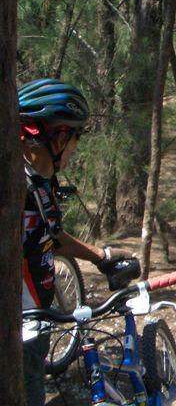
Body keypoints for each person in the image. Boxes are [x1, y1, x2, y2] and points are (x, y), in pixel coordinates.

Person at [18, 78, 133, 406]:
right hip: (21, 330)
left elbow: (51, 237)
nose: (76, 149)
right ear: (57, 136)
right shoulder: (14, 186)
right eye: (75, 138)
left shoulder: (42, 182)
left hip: (37, 315)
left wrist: (101, 255)